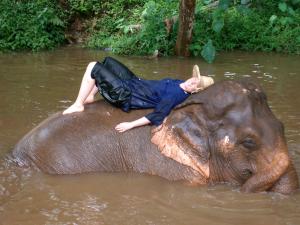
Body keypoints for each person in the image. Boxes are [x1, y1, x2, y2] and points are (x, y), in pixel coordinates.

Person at [63, 57, 214, 132]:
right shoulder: (179, 82)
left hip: (126, 94)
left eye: (195, 84)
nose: (191, 82)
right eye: (193, 79)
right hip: (135, 82)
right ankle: (90, 95)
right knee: (108, 61)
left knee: (93, 67)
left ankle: (78, 104)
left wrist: (131, 124)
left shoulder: (175, 95)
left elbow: (158, 115)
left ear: (195, 90)